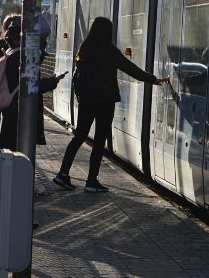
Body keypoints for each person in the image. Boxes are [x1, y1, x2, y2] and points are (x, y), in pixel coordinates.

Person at [53, 16, 167, 193]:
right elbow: (131, 69)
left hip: (86, 100)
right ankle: (91, 181)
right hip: (105, 101)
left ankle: (63, 173)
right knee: (99, 141)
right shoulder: (109, 51)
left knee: (79, 136)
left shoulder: (84, 48)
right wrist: (153, 79)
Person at [0, 14, 66, 151]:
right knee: (17, 157)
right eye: (42, 37)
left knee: (10, 154)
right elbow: (29, 85)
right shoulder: (21, 56)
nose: (43, 41)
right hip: (18, 115)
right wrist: (52, 81)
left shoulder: (12, 52)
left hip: (11, 113)